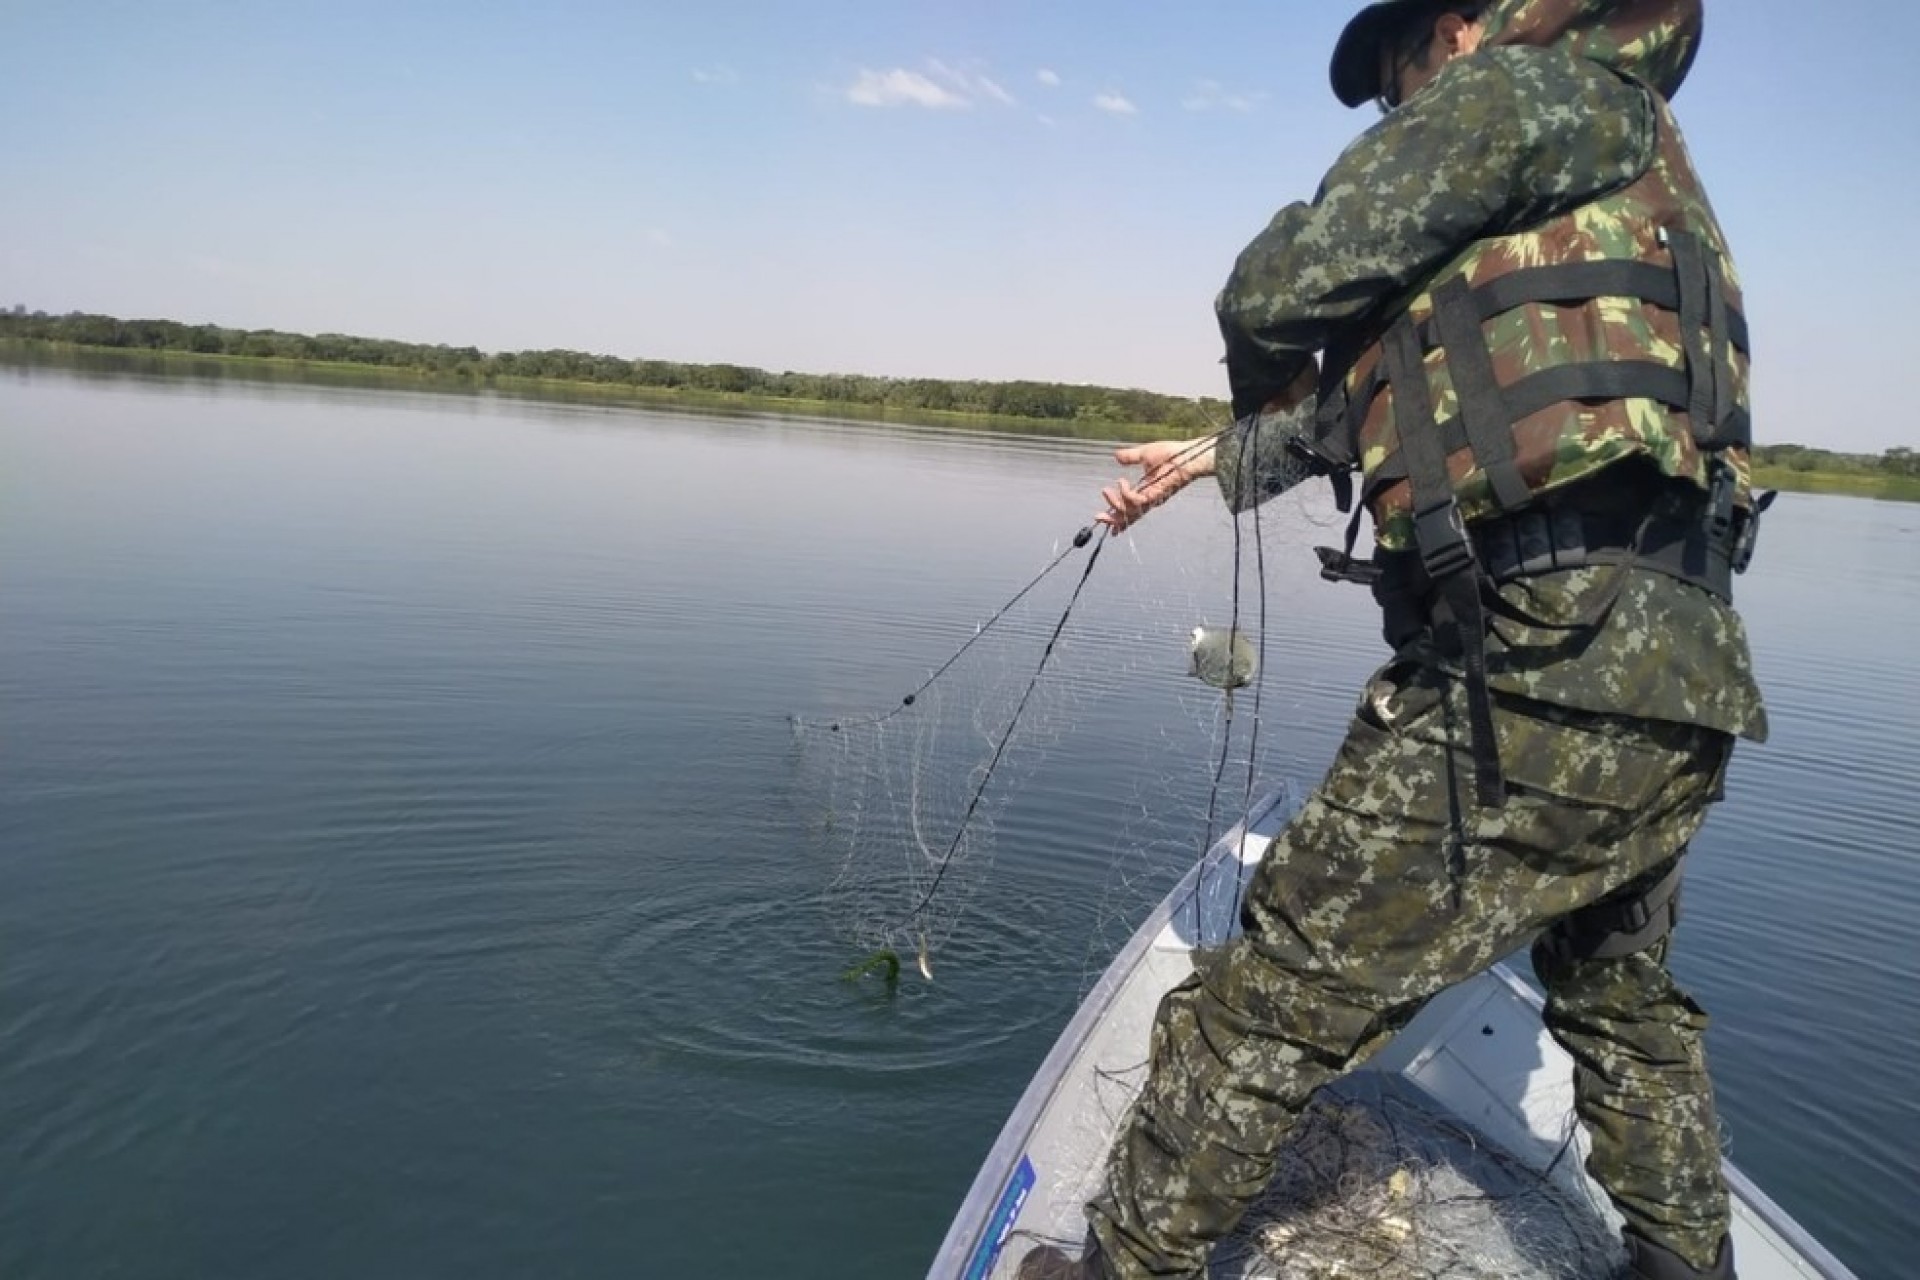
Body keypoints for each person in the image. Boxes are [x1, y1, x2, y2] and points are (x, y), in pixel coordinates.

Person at [1018, 2, 1766, 1278]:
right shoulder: (1631, 179)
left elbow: (1274, 286)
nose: (1392, 109)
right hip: (1678, 674)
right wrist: (1208, 459)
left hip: (1535, 661)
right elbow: (1408, 381)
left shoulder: (1525, 95)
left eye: (1396, 76)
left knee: (1281, 979)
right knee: (1619, 997)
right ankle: (1683, 1260)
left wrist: (1254, 365)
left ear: (1462, 31)